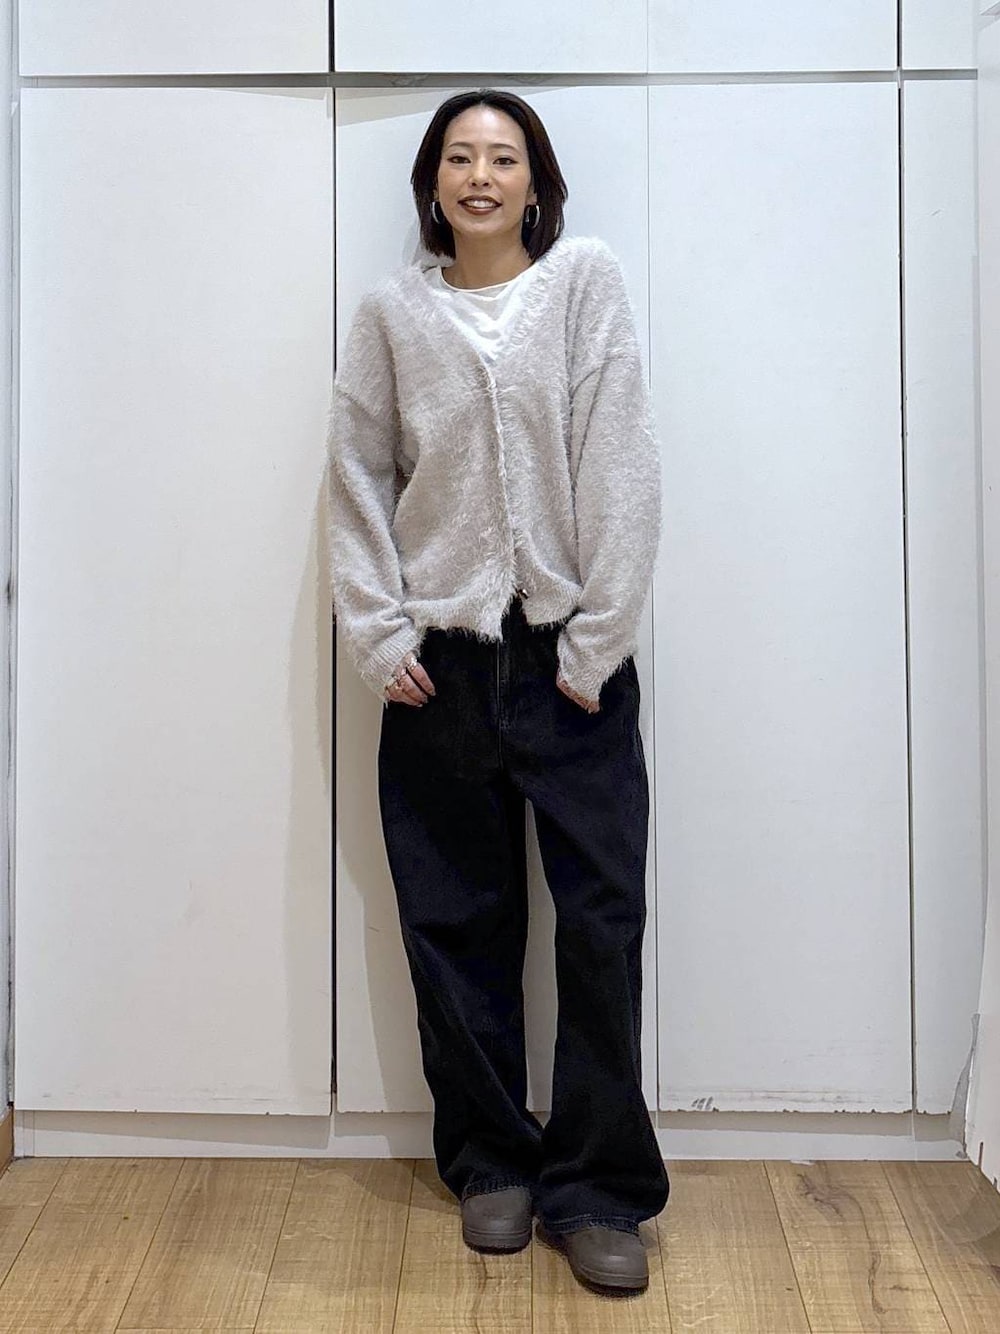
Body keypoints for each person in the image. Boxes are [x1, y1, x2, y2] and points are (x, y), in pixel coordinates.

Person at [326, 87, 669, 1295]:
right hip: (442, 668)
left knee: (599, 926)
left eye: (503, 157)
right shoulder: (390, 312)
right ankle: (491, 1163)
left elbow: (622, 460)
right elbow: (356, 473)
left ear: (535, 183)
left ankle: (600, 1186)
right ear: (433, 182)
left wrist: (598, 639)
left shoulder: (583, 283)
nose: (480, 175)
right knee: (454, 921)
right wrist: (377, 635)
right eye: (460, 157)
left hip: (574, 665)